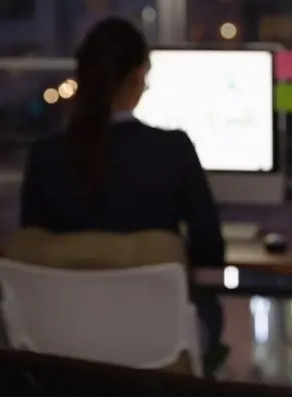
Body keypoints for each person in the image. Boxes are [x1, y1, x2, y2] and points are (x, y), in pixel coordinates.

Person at [20, 17, 227, 377]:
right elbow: (211, 251)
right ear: (139, 76)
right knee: (210, 310)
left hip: (63, 346)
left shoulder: (44, 156)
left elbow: (33, 244)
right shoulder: (172, 150)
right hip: (156, 346)